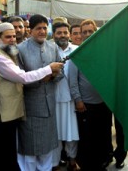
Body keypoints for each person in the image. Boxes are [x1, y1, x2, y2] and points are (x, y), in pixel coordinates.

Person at [0, 22, 63, 171]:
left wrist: (51, 76)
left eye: (13, 36)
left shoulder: (51, 47)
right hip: (7, 113)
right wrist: (48, 70)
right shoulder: (2, 55)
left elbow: (60, 72)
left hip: (21, 110)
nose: (12, 39)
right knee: (22, 151)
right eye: (8, 37)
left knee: (44, 147)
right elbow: (23, 78)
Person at [16, 14, 64, 171]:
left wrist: (54, 76)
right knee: (29, 150)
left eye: (45, 28)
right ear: (30, 31)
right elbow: (19, 80)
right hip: (30, 108)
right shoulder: (20, 50)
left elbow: (61, 72)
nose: (42, 31)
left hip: (49, 106)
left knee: (47, 149)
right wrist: (41, 78)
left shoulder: (53, 47)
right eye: (38, 28)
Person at [68, 19, 112, 171]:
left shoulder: (104, 53)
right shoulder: (77, 54)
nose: (87, 34)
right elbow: (72, 81)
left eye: (90, 31)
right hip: (86, 106)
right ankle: (88, 165)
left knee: (102, 136)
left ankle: (102, 162)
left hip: (104, 104)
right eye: (84, 32)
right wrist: (78, 101)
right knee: (88, 139)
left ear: (95, 32)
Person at [51, 21, 80, 171]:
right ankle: (54, 163)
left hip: (72, 99)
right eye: (59, 33)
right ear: (54, 34)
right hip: (52, 99)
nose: (62, 35)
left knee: (72, 133)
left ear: (69, 34)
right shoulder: (48, 50)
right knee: (54, 135)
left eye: (65, 32)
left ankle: (72, 161)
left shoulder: (77, 50)